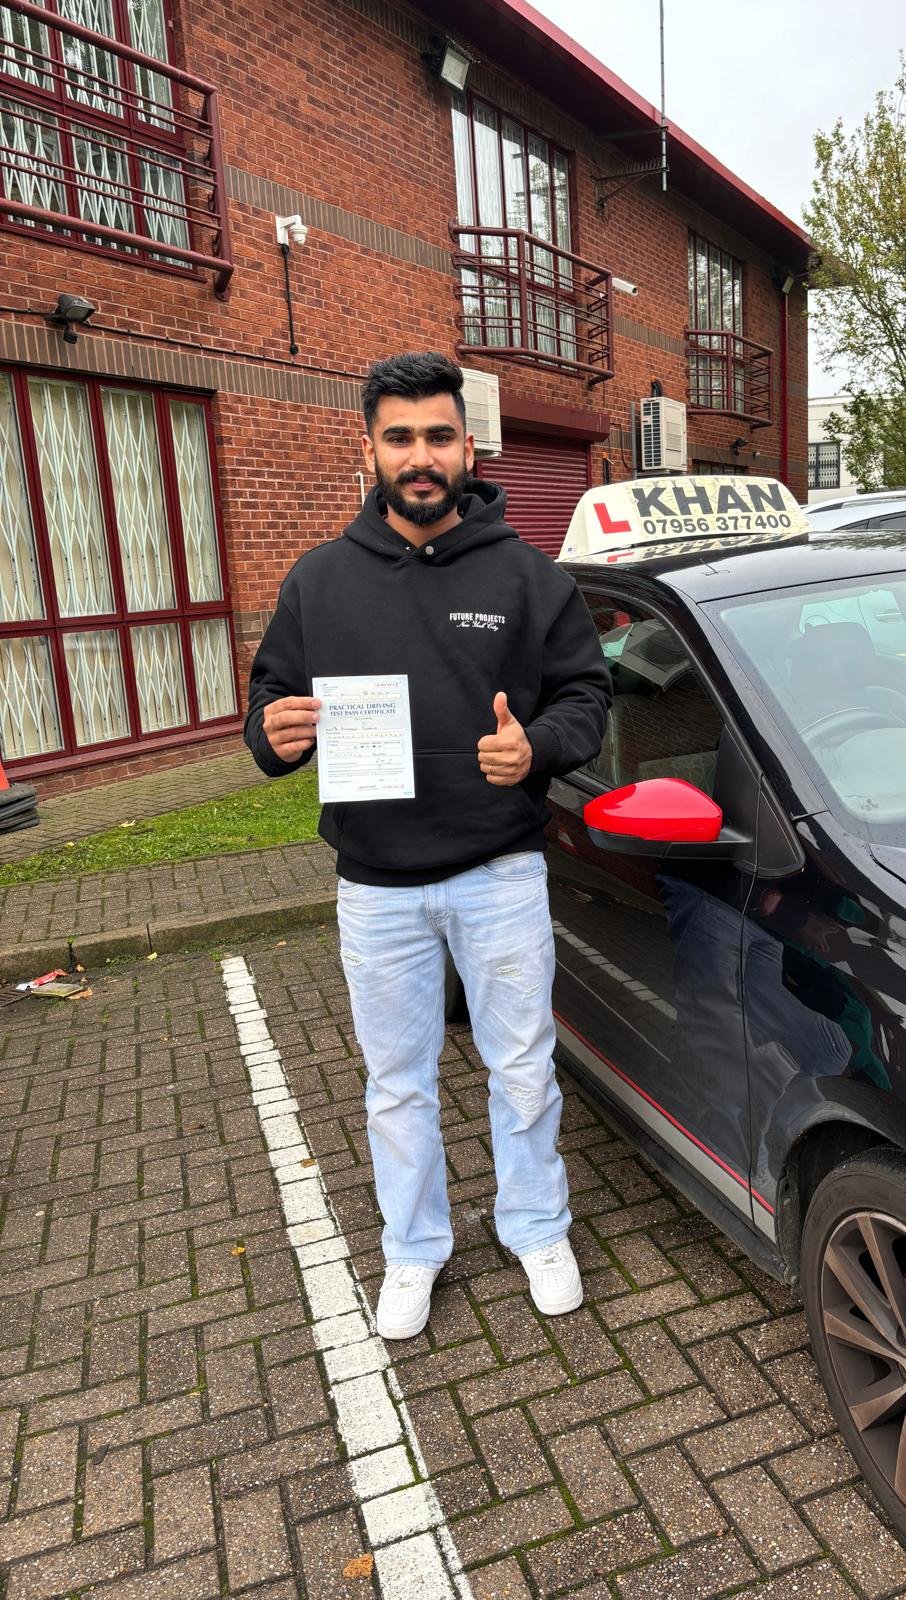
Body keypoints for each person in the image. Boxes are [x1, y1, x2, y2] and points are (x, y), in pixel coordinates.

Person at [244, 352, 610, 1340]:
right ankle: (413, 1247)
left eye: (438, 436)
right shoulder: (319, 581)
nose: (420, 456)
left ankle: (536, 1226)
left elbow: (587, 696)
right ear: (368, 448)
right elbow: (270, 699)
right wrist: (272, 734)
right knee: (396, 1082)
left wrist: (537, 746)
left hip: (499, 868)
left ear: (468, 448)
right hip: (377, 885)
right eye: (399, 437)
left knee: (522, 1066)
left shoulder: (528, 577)